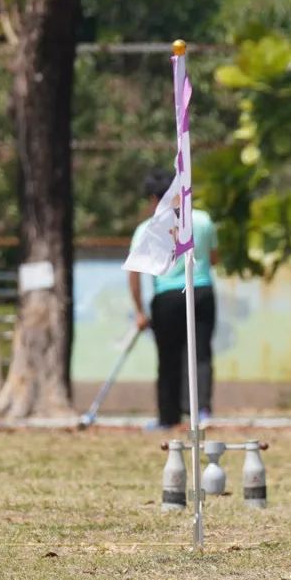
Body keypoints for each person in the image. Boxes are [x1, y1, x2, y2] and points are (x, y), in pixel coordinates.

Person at [128, 170, 219, 431]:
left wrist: (139, 310)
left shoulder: (146, 229)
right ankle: (201, 411)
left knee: (168, 357)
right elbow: (213, 257)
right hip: (200, 290)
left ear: (155, 198)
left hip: (166, 295)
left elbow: (134, 272)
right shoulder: (202, 220)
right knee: (200, 352)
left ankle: (168, 416)